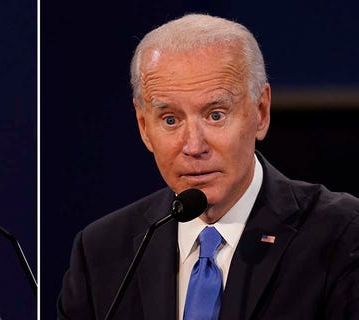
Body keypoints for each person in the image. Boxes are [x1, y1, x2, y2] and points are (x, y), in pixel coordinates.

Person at [58, 14, 359, 320]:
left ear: (261, 111)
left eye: (215, 115)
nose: (193, 146)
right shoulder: (102, 251)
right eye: (170, 120)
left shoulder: (341, 234)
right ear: (144, 127)